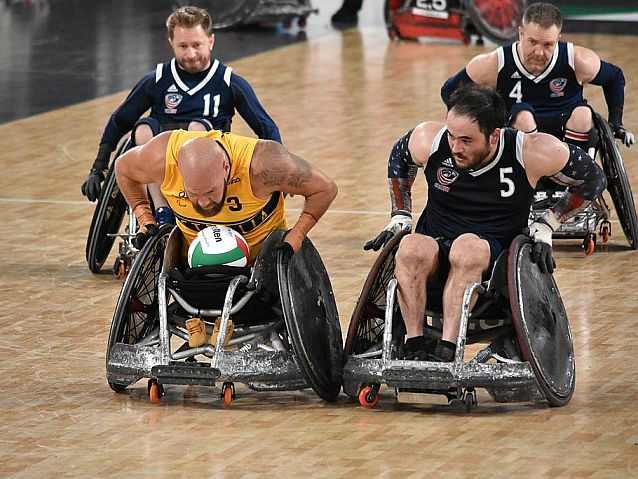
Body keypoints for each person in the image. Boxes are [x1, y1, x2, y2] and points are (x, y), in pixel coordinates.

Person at [365, 85, 606, 362]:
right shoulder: (429, 139)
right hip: (436, 243)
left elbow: (593, 180)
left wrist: (547, 223)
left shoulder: (530, 150)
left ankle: (447, 350)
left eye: (467, 140)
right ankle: (417, 345)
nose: (455, 147)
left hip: (492, 255)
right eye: (452, 136)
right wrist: (400, 214)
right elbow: (399, 157)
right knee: (409, 247)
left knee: (467, 249)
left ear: (494, 135)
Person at [81, 5, 281, 227]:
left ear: (211, 41)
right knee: (143, 129)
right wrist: (98, 167)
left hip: (209, 166)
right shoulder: (156, 80)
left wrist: (279, 168)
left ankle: (194, 206)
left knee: (197, 129)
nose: (191, 54)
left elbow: (266, 127)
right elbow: (119, 122)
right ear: (171, 44)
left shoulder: (229, 82)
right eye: (183, 46)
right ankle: (162, 210)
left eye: (197, 45)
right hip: (161, 165)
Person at [441, 2, 634, 156]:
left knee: (583, 114)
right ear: (521, 33)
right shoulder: (495, 63)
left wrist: (616, 122)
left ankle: (573, 178)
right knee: (524, 117)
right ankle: (534, 184)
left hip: (566, 127)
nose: (539, 52)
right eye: (532, 42)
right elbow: (450, 90)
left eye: (548, 44)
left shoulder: (577, 59)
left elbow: (614, 77)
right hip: (518, 132)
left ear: (558, 38)